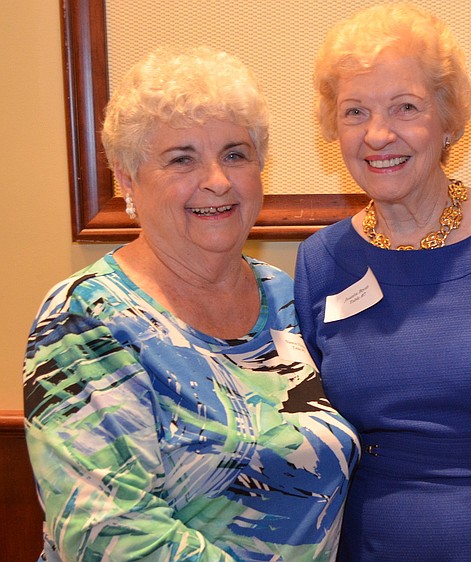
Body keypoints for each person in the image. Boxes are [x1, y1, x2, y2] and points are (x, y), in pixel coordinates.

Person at [23, 47, 359, 562]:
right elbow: (109, 536)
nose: (218, 180)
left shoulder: (290, 296)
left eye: (235, 154)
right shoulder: (84, 317)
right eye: (182, 159)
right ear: (128, 178)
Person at [293, 4, 471, 561]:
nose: (379, 134)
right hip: (364, 544)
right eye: (355, 112)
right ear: (334, 128)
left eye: (405, 107)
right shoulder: (320, 261)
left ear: (449, 119)